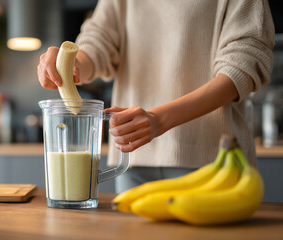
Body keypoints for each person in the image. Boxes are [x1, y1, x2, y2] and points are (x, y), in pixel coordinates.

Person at [37, 0, 275, 193]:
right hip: (132, 164)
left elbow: (241, 69)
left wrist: (158, 119)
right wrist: (71, 65)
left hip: (214, 160)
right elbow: (98, 45)